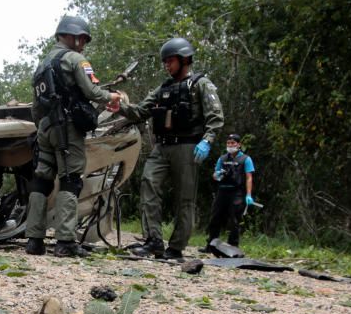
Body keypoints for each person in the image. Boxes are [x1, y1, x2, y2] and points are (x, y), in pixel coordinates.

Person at [115, 37, 224, 259]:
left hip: (188, 147)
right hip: (162, 147)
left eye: (170, 61)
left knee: (185, 198)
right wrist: (120, 107)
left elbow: (215, 116)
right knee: (149, 183)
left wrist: (207, 140)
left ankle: (175, 248)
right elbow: (140, 111)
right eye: (165, 61)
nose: (167, 65)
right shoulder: (162, 89)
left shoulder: (201, 85)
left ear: (184, 60)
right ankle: (153, 240)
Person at [24, 16, 121, 258]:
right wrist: (113, 97)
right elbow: (91, 91)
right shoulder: (76, 60)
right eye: (82, 39)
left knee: (41, 180)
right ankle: (65, 242)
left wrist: (42, 128)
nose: (83, 44)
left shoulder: (42, 65)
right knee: (71, 179)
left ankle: (33, 240)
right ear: (72, 36)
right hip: (67, 129)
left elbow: (36, 106)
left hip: (45, 128)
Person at [204, 133, 255, 252]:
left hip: (236, 192)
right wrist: (217, 175)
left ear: (239, 144)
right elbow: (215, 175)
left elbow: (249, 177)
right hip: (222, 191)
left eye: (233, 143)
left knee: (234, 220)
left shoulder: (245, 159)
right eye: (228, 143)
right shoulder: (222, 158)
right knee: (215, 218)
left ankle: (233, 247)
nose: (230, 145)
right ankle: (211, 245)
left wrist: (248, 194)